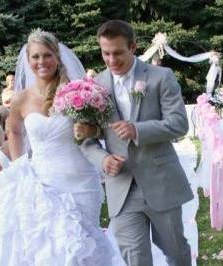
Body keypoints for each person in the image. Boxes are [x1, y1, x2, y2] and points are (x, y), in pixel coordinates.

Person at [0, 29, 118, 266]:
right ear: (28, 60)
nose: (41, 62)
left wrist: (88, 131)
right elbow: (13, 130)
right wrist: (18, 163)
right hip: (43, 184)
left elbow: (100, 129)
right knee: (49, 251)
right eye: (35, 57)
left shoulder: (77, 90)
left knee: (83, 249)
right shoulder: (21, 98)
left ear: (57, 57)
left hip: (81, 182)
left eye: (46, 55)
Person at [80, 20, 193, 266]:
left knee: (176, 253)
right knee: (135, 258)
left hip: (160, 181)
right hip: (121, 186)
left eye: (118, 52)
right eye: (105, 53)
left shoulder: (160, 76)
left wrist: (138, 130)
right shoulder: (95, 86)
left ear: (133, 47)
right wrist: (103, 159)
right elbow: (85, 139)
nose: (111, 60)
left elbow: (179, 124)